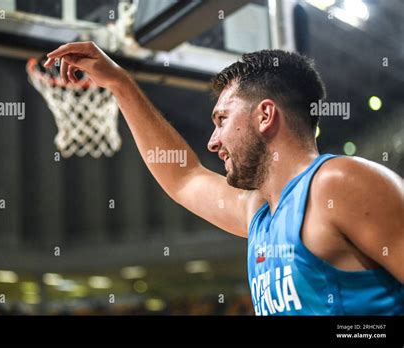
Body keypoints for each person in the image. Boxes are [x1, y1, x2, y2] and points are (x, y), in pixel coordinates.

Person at [45, 42, 404, 315]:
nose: (212, 141)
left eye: (221, 120)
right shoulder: (261, 213)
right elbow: (184, 177)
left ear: (265, 116)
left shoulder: (339, 183)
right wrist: (121, 86)